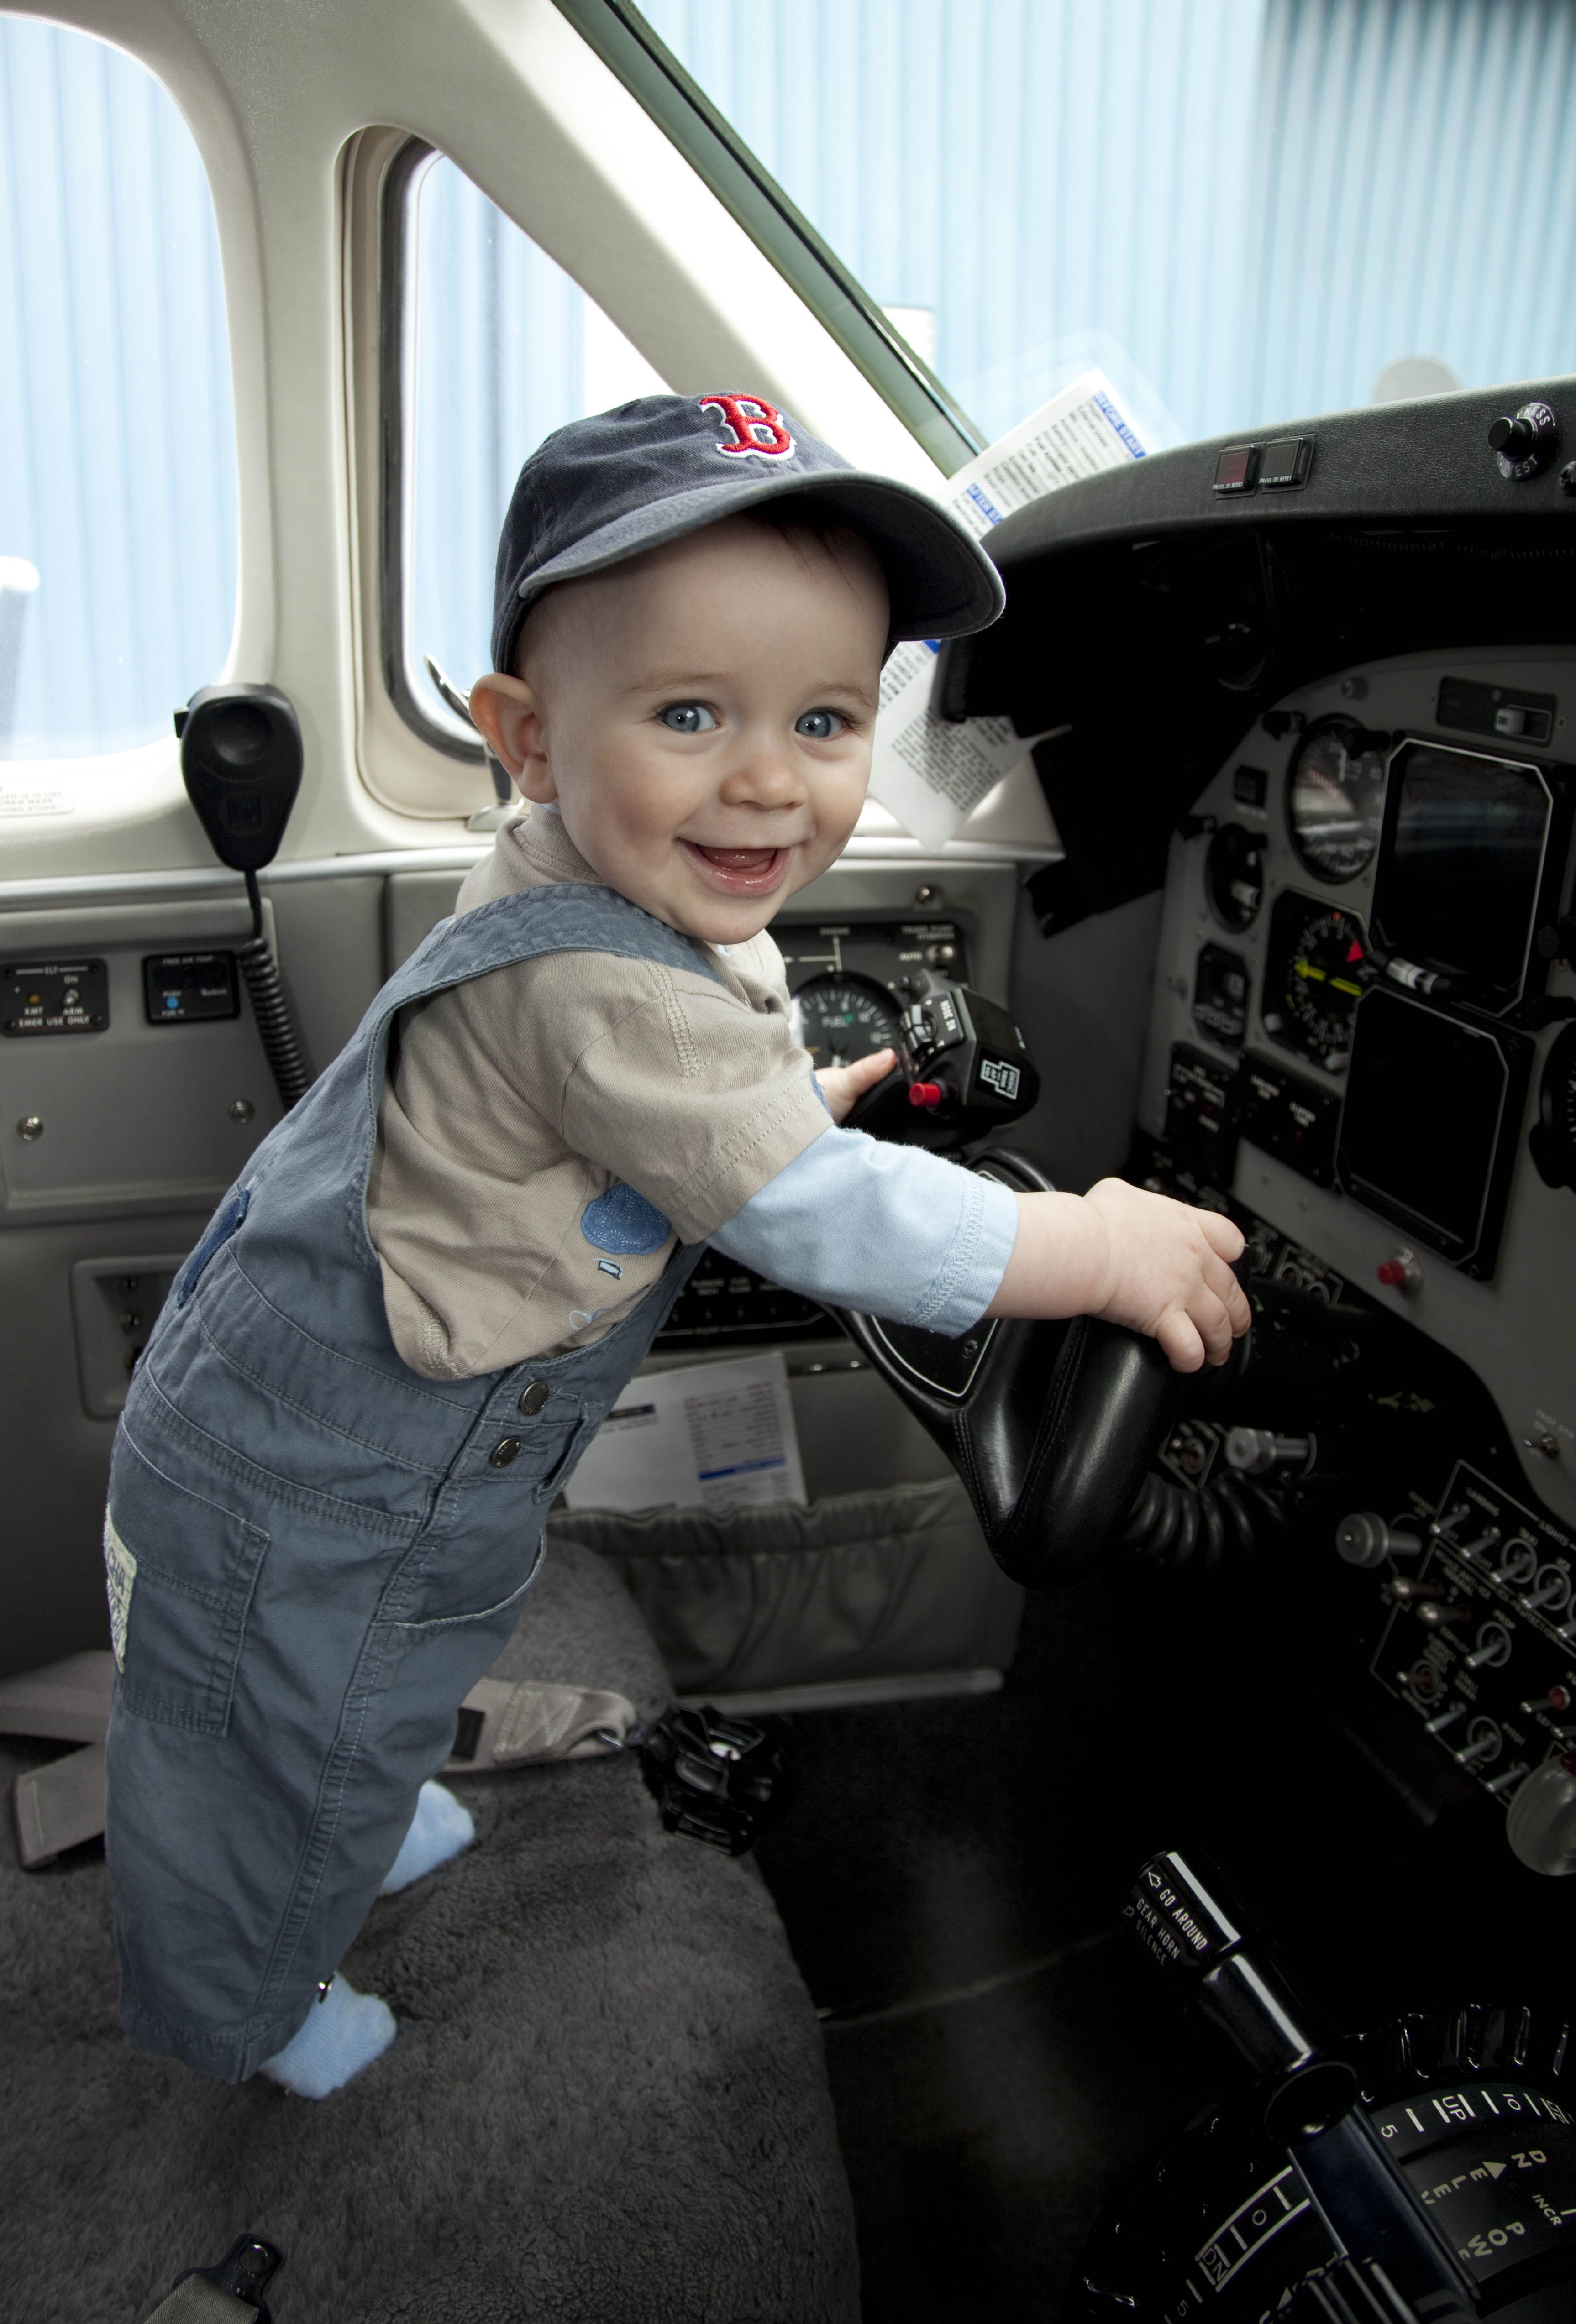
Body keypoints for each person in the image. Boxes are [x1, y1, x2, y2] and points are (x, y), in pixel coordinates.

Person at [103, 393, 1248, 2098]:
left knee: (343, 1700)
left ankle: (352, 1791)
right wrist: (1094, 1245)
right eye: (692, 711)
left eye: (828, 716)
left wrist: (785, 1108)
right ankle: (239, 2007)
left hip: (338, 1428)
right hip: (328, 1476)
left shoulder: (601, 885)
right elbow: (801, 1206)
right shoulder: (599, 975)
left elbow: (701, 1106)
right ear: (528, 736)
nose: (771, 779)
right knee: (253, 1751)